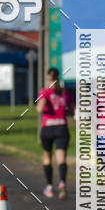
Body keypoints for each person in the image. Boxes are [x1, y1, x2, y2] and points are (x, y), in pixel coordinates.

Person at [36, 67, 75, 200]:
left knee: (47, 156)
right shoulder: (64, 93)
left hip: (47, 128)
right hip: (61, 127)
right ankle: (62, 183)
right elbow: (71, 111)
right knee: (61, 158)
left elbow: (39, 109)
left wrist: (44, 101)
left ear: (48, 78)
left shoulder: (45, 92)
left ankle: (49, 187)